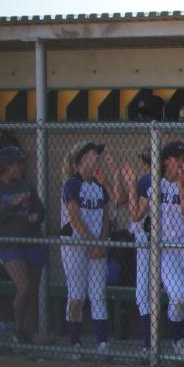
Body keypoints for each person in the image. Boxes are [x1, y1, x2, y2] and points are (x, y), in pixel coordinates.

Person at [131, 142, 184, 357]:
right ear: (166, 160)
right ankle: (177, 340)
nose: (182, 162)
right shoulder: (152, 182)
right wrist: (130, 186)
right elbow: (137, 215)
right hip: (164, 248)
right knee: (179, 295)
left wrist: (182, 186)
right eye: (177, 158)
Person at [0, 144, 45, 343]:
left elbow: (40, 210)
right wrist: (12, 205)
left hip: (32, 239)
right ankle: (19, 329)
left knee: (33, 288)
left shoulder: (26, 185)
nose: (20, 168)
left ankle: (30, 332)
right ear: (5, 166)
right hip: (8, 244)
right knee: (23, 286)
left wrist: (36, 216)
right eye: (16, 165)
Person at [58, 141, 111, 355]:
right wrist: (92, 242)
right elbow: (74, 217)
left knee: (98, 294)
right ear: (81, 160)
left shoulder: (99, 186)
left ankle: (103, 344)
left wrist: (101, 242)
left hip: (96, 245)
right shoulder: (72, 184)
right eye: (92, 154)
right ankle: (75, 344)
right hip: (75, 246)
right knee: (77, 295)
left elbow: (106, 217)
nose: (96, 157)